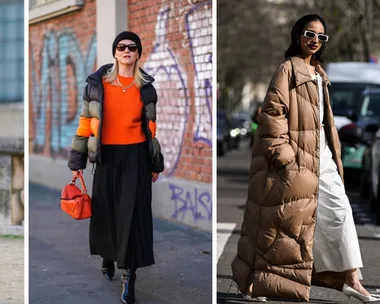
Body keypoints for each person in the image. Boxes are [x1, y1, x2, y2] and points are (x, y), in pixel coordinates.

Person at [231, 14, 380, 303]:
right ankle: (250, 284)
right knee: (277, 225)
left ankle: (352, 280)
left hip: (321, 158)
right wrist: (287, 158)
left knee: (340, 213)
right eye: (310, 34)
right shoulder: (288, 69)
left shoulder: (319, 74)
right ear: (298, 35)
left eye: (321, 37)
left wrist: (332, 158)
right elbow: (272, 115)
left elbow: (322, 123)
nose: (315, 40)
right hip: (297, 161)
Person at [68, 31, 164, 304]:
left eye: (132, 47)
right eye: (121, 47)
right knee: (107, 212)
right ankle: (108, 255)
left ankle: (128, 276)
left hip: (136, 156)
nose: (126, 51)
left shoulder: (146, 87)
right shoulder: (97, 85)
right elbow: (86, 124)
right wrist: (77, 162)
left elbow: (151, 129)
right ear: (114, 52)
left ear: (137, 53)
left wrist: (155, 161)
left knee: (132, 215)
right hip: (107, 156)